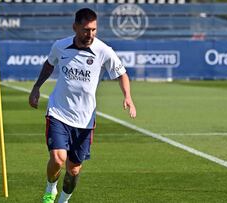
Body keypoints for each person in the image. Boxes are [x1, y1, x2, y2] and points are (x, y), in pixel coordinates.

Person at [29, 8, 136, 203]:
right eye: (86, 30)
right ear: (75, 27)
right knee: (58, 158)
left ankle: (63, 200)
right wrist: (37, 87)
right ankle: (50, 188)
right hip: (58, 112)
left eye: (94, 30)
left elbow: (122, 74)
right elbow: (49, 64)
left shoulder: (104, 51)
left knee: (74, 169)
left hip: (85, 120)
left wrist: (127, 96)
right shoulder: (60, 46)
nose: (91, 34)